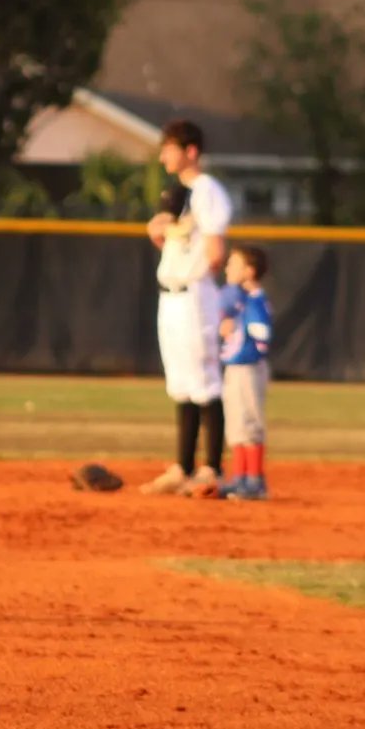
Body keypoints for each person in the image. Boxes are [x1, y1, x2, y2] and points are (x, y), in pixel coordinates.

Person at [141, 119, 233, 497]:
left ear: (190, 151)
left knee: (205, 382)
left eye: (170, 147)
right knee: (181, 382)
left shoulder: (207, 190)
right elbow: (179, 242)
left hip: (195, 295)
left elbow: (214, 252)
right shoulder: (177, 192)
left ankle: (211, 469)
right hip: (171, 295)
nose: (163, 154)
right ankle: (183, 466)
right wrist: (160, 232)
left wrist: (200, 269)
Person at [218, 245, 273, 500]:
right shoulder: (240, 301)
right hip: (235, 367)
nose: (228, 268)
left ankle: (255, 480)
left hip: (249, 368)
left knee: (249, 423)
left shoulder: (255, 301)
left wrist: (237, 325)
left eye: (234, 264)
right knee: (236, 424)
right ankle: (240, 477)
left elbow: (262, 334)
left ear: (249, 272)